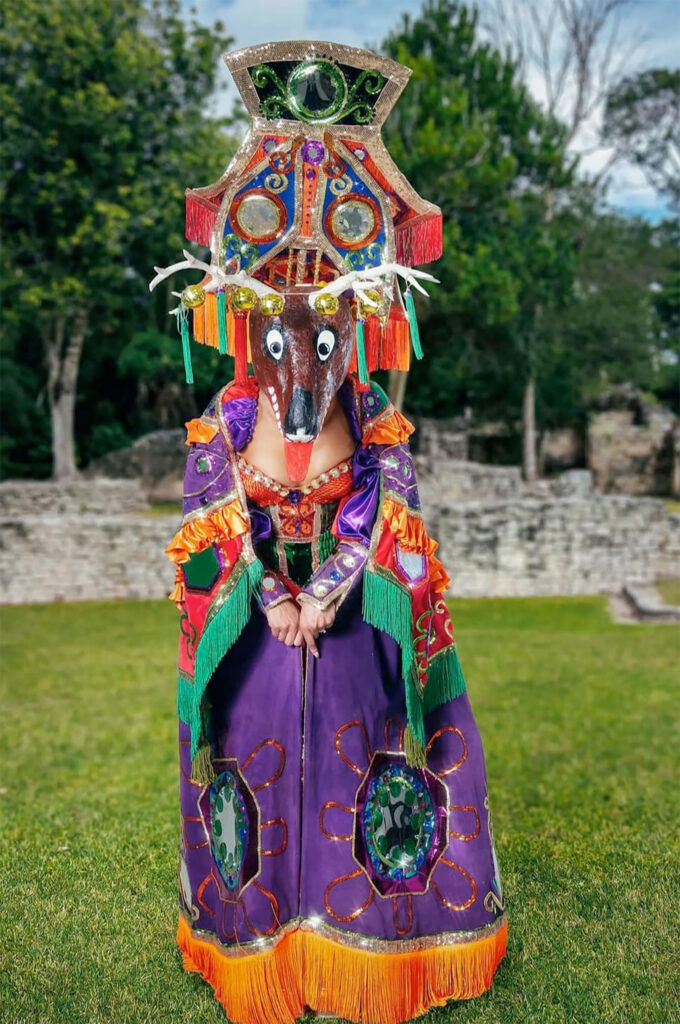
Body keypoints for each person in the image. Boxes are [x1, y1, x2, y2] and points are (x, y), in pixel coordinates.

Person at [153, 38, 507, 1024]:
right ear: (244, 318)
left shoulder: (378, 424)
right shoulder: (219, 429)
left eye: (325, 331)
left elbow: (394, 513)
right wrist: (270, 594)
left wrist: (334, 583)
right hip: (266, 627)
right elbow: (205, 524)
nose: (305, 354)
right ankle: (259, 941)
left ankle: (372, 938)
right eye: (282, 332)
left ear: (354, 323)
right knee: (252, 772)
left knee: (366, 767)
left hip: (347, 625)